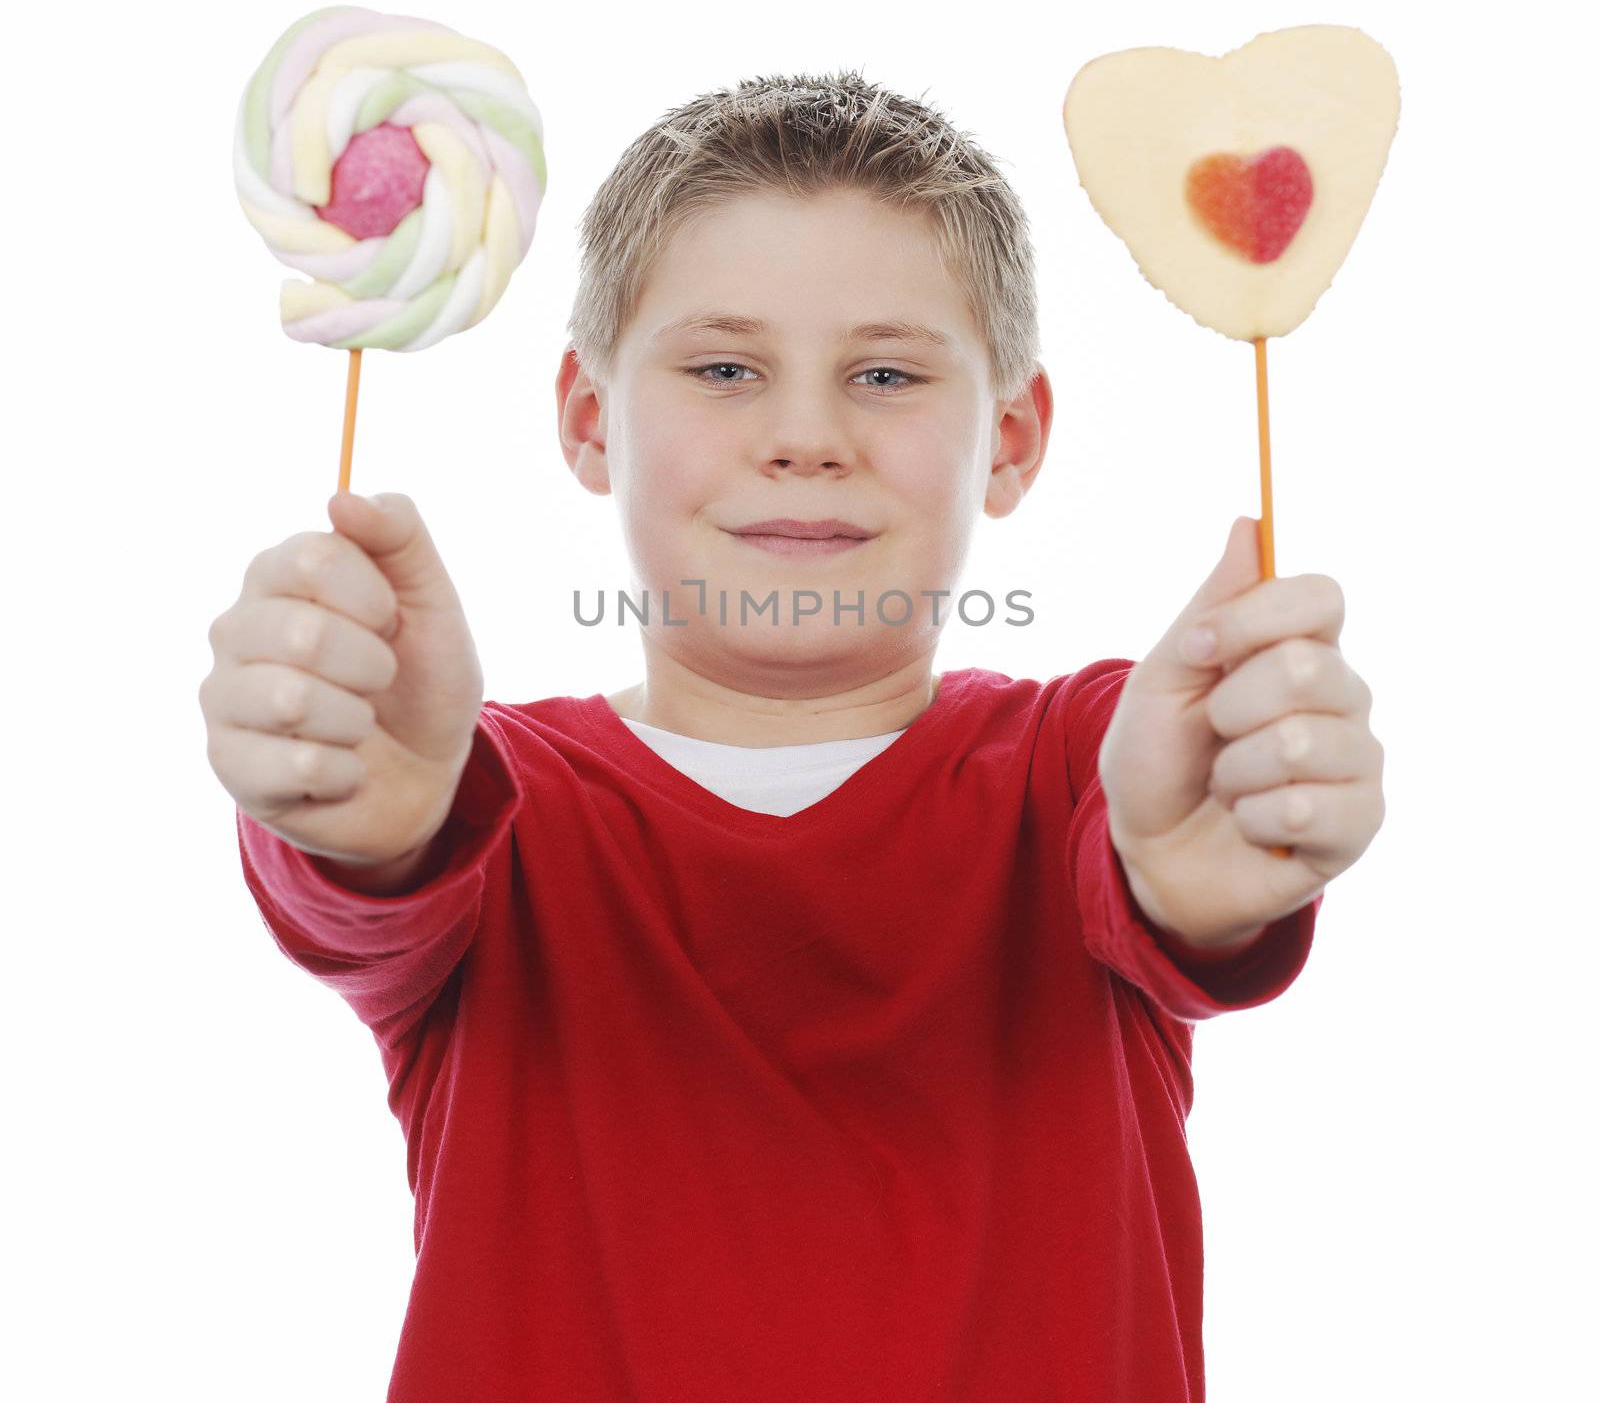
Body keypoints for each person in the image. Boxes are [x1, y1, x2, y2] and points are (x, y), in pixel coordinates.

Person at [200, 70, 1385, 1401]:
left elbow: (1169, 863)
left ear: (1010, 437)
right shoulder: (482, 808)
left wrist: (1209, 878)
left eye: (884, 373)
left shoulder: (1092, 768)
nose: (807, 437)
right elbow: (367, 890)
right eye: (724, 369)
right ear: (592, 420)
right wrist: (356, 822)